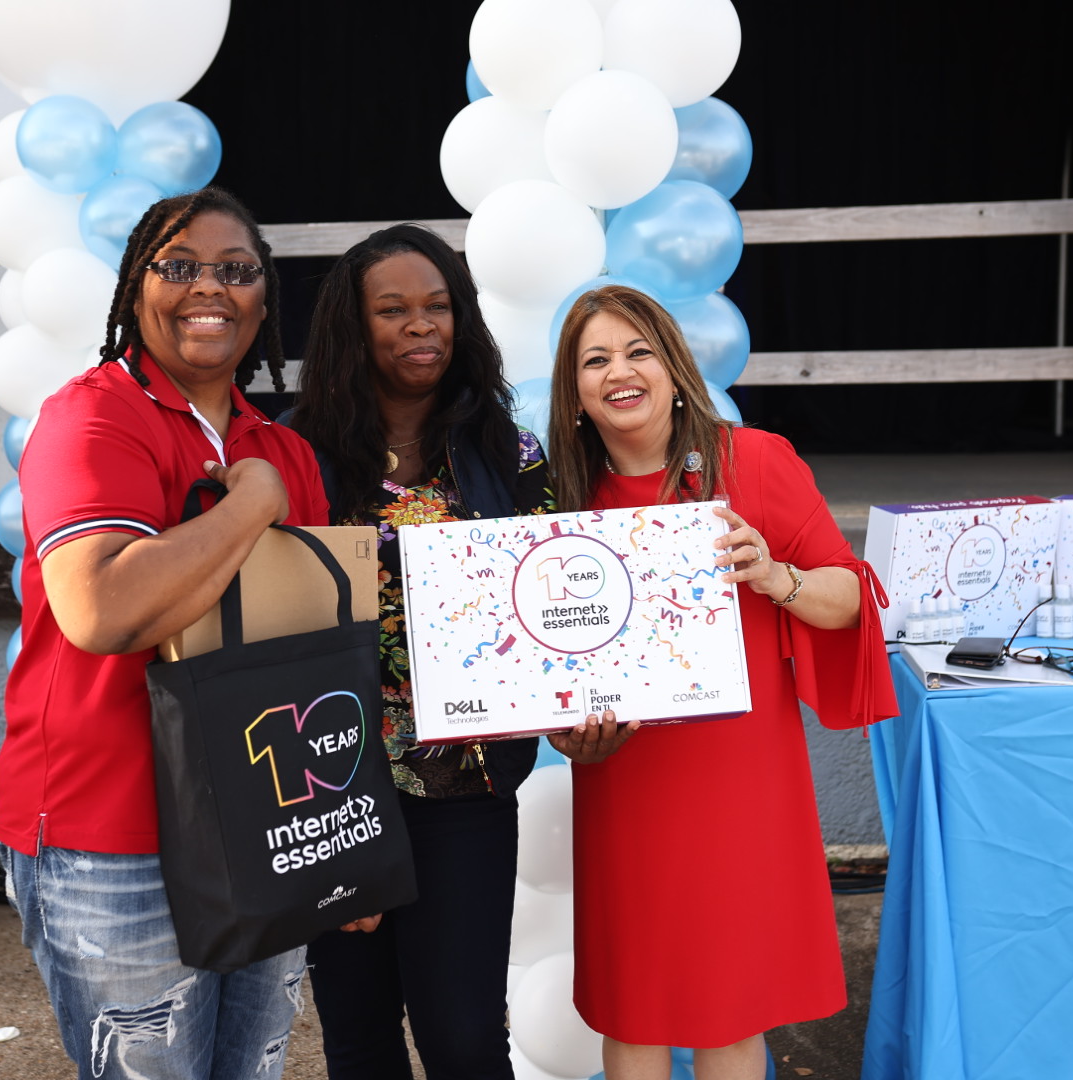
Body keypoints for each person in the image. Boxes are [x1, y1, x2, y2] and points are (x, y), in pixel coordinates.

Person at [0, 186, 371, 1080]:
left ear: (263, 302)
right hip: (110, 835)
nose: (211, 288)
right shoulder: (93, 416)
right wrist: (251, 507)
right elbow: (101, 611)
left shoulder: (283, 448)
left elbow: (313, 657)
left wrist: (344, 831)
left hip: (263, 824)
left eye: (236, 271)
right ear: (134, 289)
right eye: (180, 265)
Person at [286, 224, 623, 1079]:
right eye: (392, 310)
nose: (419, 325)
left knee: (466, 1037)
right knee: (360, 1036)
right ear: (351, 329)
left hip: (464, 785)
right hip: (332, 786)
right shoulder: (293, 457)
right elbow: (273, 636)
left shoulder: (509, 456)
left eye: (437, 306)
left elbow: (555, 610)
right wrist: (320, 825)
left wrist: (577, 712)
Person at [545, 285, 898, 1080]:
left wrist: (775, 577)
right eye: (594, 360)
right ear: (573, 392)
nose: (619, 372)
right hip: (626, 778)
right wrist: (564, 728)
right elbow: (541, 665)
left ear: (673, 367)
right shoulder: (561, 502)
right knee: (633, 1007)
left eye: (638, 351)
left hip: (741, 778)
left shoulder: (757, 464)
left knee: (730, 1012)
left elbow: (850, 602)